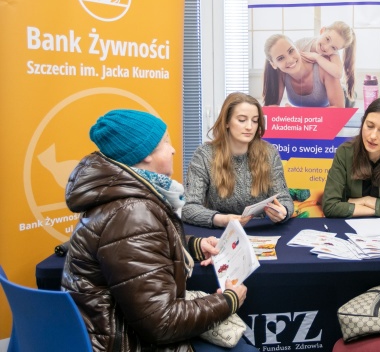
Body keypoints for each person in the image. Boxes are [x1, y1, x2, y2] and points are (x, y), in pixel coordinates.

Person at [61, 109, 253, 351]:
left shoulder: (124, 197)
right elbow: (162, 323)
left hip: (114, 329)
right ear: (145, 155)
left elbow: (144, 248)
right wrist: (228, 300)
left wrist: (193, 246)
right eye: (165, 143)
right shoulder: (133, 212)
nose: (173, 150)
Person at [182, 92, 294, 228]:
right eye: (242, 120)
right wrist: (221, 220)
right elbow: (188, 208)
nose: (249, 127)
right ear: (227, 122)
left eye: (254, 120)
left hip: (259, 230)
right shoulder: (204, 155)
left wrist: (283, 212)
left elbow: (284, 199)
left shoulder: (269, 153)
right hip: (217, 233)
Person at [262, 34, 345, 108]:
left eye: (291, 51)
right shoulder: (281, 73)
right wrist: (285, 114)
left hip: (330, 116)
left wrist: (298, 115)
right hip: (305, 122)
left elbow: (339, 109)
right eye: (280, 58)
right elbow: (271, 109)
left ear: (297, 48)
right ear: (273, 64)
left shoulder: (324, 68)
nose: (290, 60)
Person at [295, 21, 357, 105]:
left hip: (335, 95)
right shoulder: (302, 44)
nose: (326, 47)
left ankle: (352, 98)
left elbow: (338, 73)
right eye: (327, 39)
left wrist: (316, 57)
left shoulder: (333, 54)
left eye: (334, 47)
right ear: (322, 31)